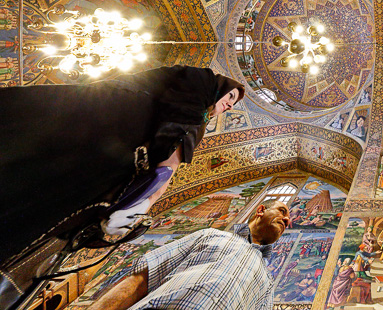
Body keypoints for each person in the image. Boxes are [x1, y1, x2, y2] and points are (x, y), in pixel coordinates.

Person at [0, 66, 244, 268]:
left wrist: (142, 202)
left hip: (97, 156)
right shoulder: (202, 81)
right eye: (231, 96)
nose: (231, 105)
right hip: (92, 122)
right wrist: (146, 201)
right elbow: (174, 152)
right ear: (220, 87)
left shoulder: (196, 122)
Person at [84, 200, 289, 310]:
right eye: (282, 211)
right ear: (260, 210)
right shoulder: (210, 235)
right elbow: (141, 279)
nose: (286, 220)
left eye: (288, 222)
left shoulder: (267, 282)